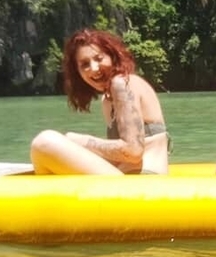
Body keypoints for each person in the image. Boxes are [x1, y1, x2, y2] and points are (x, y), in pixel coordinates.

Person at [29, 29, 170, 175]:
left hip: (145, 182)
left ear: (113, 56)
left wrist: (79, 140)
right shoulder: (107, 101)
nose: (94, 69)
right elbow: (120, 158)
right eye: (85, 64)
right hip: (125, 178)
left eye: (99, 58)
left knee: (44, 142)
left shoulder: (123, 83)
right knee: (48, 156)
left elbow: (133, 151)